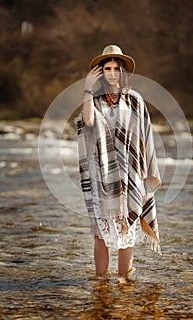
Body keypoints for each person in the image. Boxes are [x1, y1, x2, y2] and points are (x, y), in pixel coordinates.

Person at [76, 45, 161, 279]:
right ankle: (101, 283)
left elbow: (145, 139)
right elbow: (88, 122)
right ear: (100, 72)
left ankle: (124, 285)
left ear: (122, 72)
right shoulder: (94, 99)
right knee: (100, 234)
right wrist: (86, 88)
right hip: (101, 176)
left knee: (127, 231)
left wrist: (145, 181)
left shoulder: (135, 101)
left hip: (130, 174)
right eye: (107, 68)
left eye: (116, 68)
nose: (112, 73)